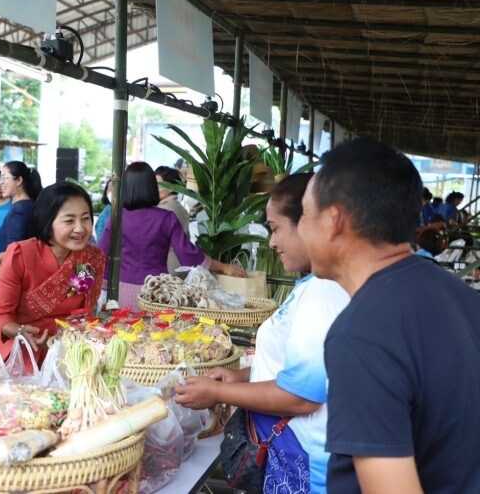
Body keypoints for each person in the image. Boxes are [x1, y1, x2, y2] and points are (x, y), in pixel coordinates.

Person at [297, 138, 480, 492]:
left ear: (334, 220)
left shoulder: (363, 333)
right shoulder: (458, 293)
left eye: (304, 215)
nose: (301, 229)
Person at [175, 173, 350, 493]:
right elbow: (296, 370)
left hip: (305, 463)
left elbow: (300, 397)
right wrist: (241, 376)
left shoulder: (323, 294)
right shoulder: (313, 286)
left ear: (311, 224)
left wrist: (218, 394)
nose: (272, 242)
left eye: (276, 228)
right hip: (292, 452)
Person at [0, 182, 105, 372]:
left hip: (68, 353)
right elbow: (0, 316)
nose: (80, 228)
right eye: (69, 221)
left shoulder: (90, 259)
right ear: (47, 221)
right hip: (22, 351)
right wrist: (20, 332)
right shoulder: (21, 254)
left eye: (85, 219)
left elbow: (85, 312)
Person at [98, 162, 243, 308]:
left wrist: (103, 288)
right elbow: (189, 255)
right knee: (156, 330)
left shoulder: (116, 218)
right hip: (158, 292)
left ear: (126, 188)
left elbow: (102, 256)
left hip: (122, 291)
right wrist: (222, 267)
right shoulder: (166, 218)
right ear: (152, 187)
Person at [0, 161, 42, 268]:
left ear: (19, 181)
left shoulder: (19, 211)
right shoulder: (29, 205)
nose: (1, 183)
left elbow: (13, 253)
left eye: (4, 178)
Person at [155, 166, 190, 274]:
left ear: (171, 187)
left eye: (158, 184)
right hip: (178, 266)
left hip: (167, 271)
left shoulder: (165, 210)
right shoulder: (176, 206)